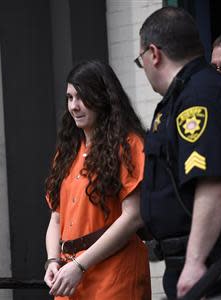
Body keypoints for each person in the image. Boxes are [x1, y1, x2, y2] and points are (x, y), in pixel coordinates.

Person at [136, 7, 221, 299]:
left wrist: (195, 262)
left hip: (212, 266)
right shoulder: (183, 97)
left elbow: (212, 184)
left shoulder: (200, 98)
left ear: (154, 54)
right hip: (194, 262)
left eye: (140, 60)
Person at [43, 60, 151, 299]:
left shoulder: (128, 144)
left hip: (114, 274)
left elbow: (134, 216)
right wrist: (53, 260)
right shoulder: (67, 151)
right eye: (70, 98)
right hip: (69, 275)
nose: (74, 106)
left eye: (82, 98)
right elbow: (56, 217)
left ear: (103, 98)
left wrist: (80, 265)